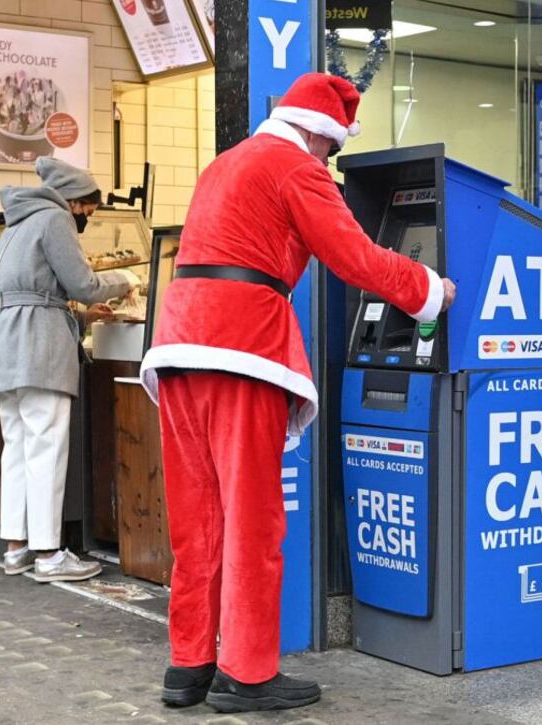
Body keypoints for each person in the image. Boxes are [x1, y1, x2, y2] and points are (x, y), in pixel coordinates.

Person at [139, 73, 458, 712]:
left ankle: (189, 665)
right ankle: (249, 673)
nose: (329, 160)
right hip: (241, 347)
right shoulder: (294, 167)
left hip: (179, 346)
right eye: (332, 149)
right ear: (319, 129)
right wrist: (429, 288)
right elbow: (357, 258)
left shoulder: (225, 163)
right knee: (254, 516)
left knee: (197, 515)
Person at [0, 158, 135, 582]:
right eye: (88, 206)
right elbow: (83, 283)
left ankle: (16, 547)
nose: (89, 214)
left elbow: (29, 291)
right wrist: (125, 280)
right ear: (73, 200)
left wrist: (81, 318)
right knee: (46, 448)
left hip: (7, 341)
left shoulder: (16, 222)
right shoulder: (55, 218)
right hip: (40, 346)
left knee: (15, 448)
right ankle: (49, 554)